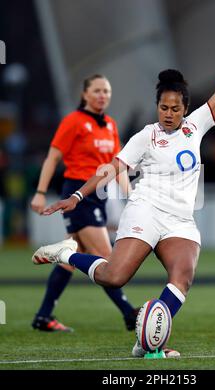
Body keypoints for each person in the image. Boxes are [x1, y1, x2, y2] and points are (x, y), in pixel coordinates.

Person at [32, 18, 215, 356]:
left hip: (180, 219)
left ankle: (149, 342)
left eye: (175, 108)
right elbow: (112, 168)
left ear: (186, 108)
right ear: (157, 106)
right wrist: (77, 195)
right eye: (163, 107)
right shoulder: (146, 135)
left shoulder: (196, 126)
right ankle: (66, 253)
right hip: (146, 209)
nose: (168, 114)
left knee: (182, 277)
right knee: (115, 276)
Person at [30, 74, 139, 332]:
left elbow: (119, 166)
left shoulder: (110, 125)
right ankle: (128, 314)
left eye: (107, 91)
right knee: (106, 258)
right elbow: (52, 158)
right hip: (77, 195)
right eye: (98, 90)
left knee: (69, 258)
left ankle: (43, 316)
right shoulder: (73, 121)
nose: (103, 95)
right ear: (85, 94)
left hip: (98, 197)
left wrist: (132, 196)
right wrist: (40, 192)